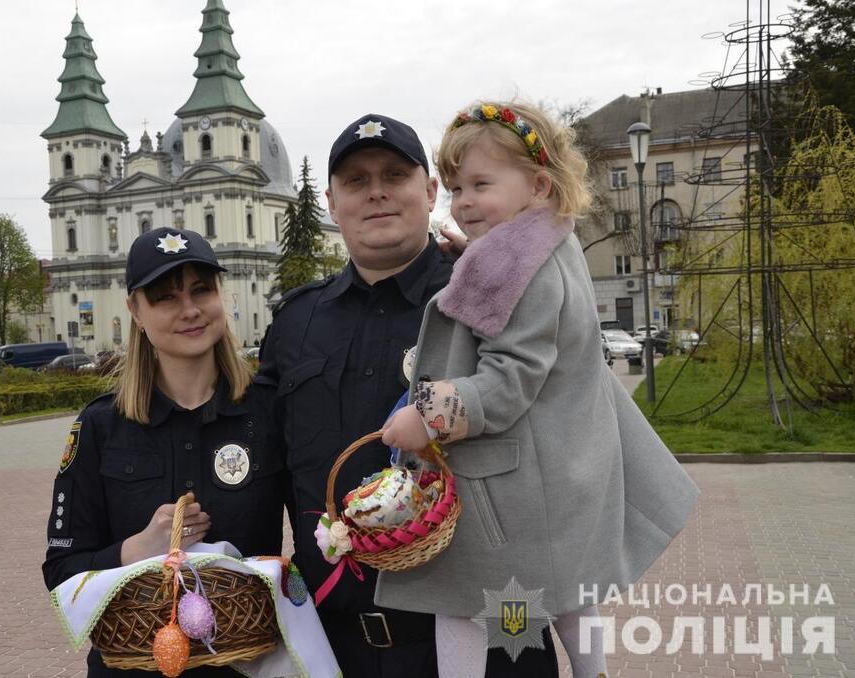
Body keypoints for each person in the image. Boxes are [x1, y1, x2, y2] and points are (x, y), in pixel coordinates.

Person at [379, 101, 701, 677]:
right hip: (559, 469)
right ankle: (592, 670)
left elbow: (508, 380)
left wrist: (425, 414)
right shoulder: (550, 243)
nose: (466, 201)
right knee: (571, 591)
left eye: (481, 184)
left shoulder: (515, 264)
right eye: (455, 188)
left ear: (539, 185)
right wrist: (476, 256)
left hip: (513, 483)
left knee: (459, 604)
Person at [256, 114, 559, 677]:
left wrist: (499, 264)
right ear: (331, 200)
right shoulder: (295, 323)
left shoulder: (490, 292)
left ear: (429, 191)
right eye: (355, 180)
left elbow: (561, 414)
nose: (376, 192)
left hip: (493, 633)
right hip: (339, 646)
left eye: (394, 174)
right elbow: (266, 473)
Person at [42, 227, 285, 676]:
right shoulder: (100, 427)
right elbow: (61, 572)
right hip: (133, 668)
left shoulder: (269, 411)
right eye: (166, 298)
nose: (190, 310)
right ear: (135, 310)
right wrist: (138, 548)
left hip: (249, 666)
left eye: (201, 290)